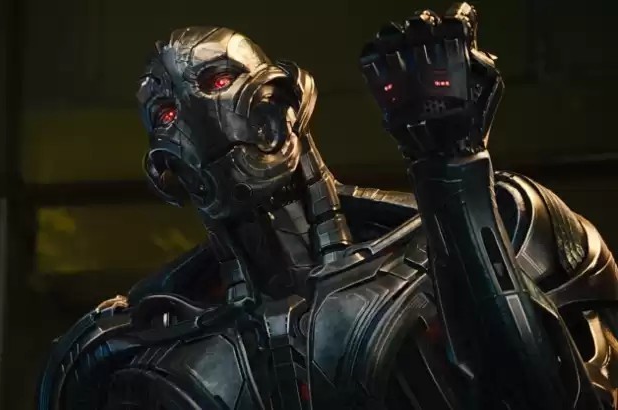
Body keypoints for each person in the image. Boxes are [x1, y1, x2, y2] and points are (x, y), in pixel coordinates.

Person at [37, 4, 618, 409]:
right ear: (164, 170)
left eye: (217, 81)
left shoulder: (502, 220)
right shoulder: (145, 345)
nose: (198, 116)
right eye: (166, 113)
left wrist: (453, 174)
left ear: (286, 102)